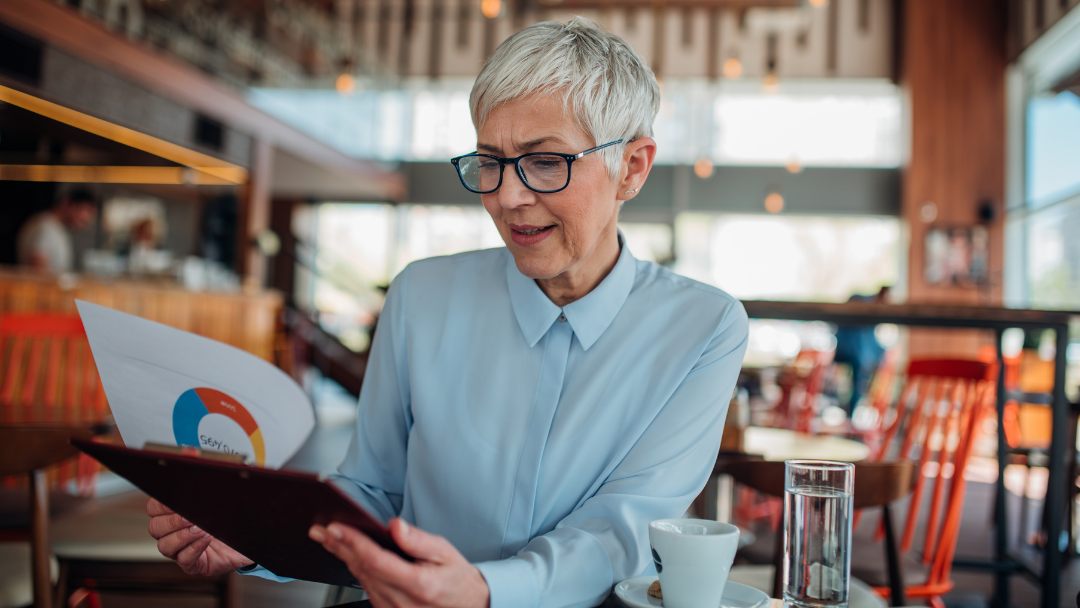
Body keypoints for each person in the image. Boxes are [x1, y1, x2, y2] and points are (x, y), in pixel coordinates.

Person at [146, 18, 749, 607]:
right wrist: (251, 536)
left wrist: (485, 593)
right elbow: (371, 492)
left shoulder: (703, 329)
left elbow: (627, 531)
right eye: (490, 161)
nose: (508, 197)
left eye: (545, 162)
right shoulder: (420, 297)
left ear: (633, 168)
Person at [832, 286, 890, 414]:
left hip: (856, 351)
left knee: (860, 381)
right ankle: (850, 412)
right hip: (852, 350)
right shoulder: (862, 302)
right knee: (857, 382)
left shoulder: (866, 303)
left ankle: (852, 412)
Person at [15, 188, 99, 273]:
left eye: (91, 212)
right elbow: (37, 271)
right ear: (66, 203)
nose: (87, 218)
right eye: (85, 209)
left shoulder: (56, 228)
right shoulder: (46, 228)